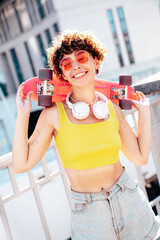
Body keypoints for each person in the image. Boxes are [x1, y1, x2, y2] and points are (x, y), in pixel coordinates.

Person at [12, 30, 160, 239]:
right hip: (89, 214)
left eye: (82, 57)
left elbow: (140, 157)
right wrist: (23, 114)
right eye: (67, 64)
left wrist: (143, 111)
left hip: (129, 199)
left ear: (95, 61)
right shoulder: (53, 114)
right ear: (61, 74)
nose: (76, 66)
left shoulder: (112, 109)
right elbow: (21, 164)